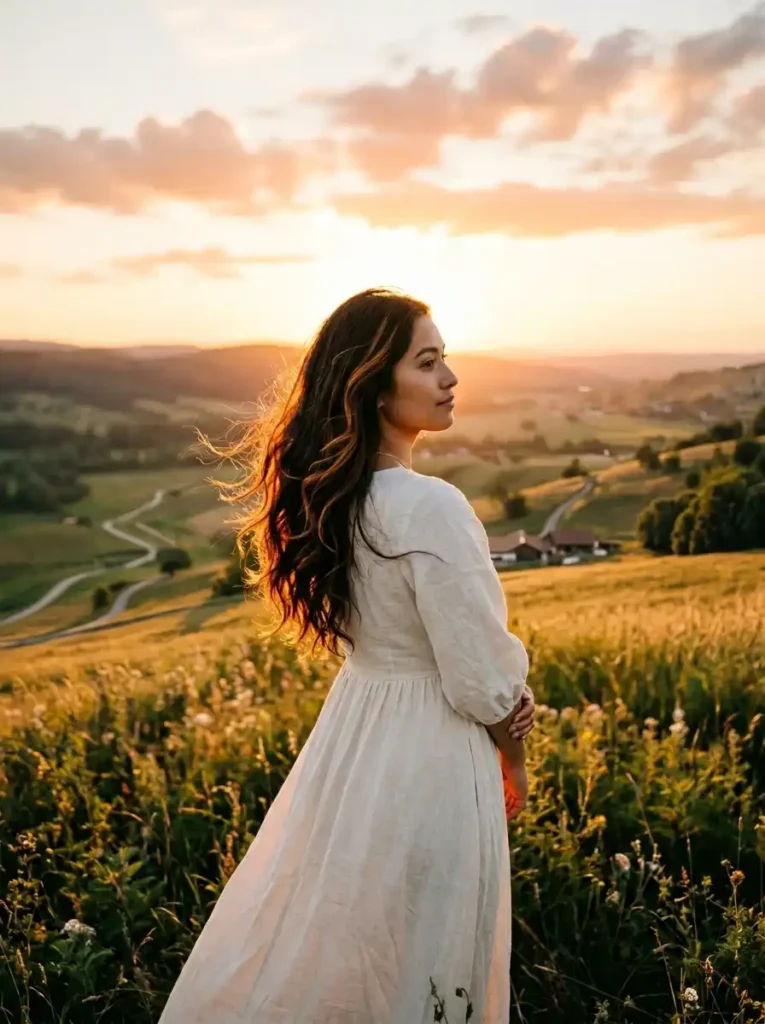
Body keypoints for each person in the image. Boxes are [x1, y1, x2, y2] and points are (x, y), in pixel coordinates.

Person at [159, 287, 534, 1024]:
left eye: (446, 358)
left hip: (353, 742)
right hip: (435, 750)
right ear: (373, 385)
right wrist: (514, 756)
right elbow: (481, 680)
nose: (450, 377)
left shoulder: (330, 500)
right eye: (427, 362)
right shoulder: (432, 507)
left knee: (338, 939)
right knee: (425, 955)